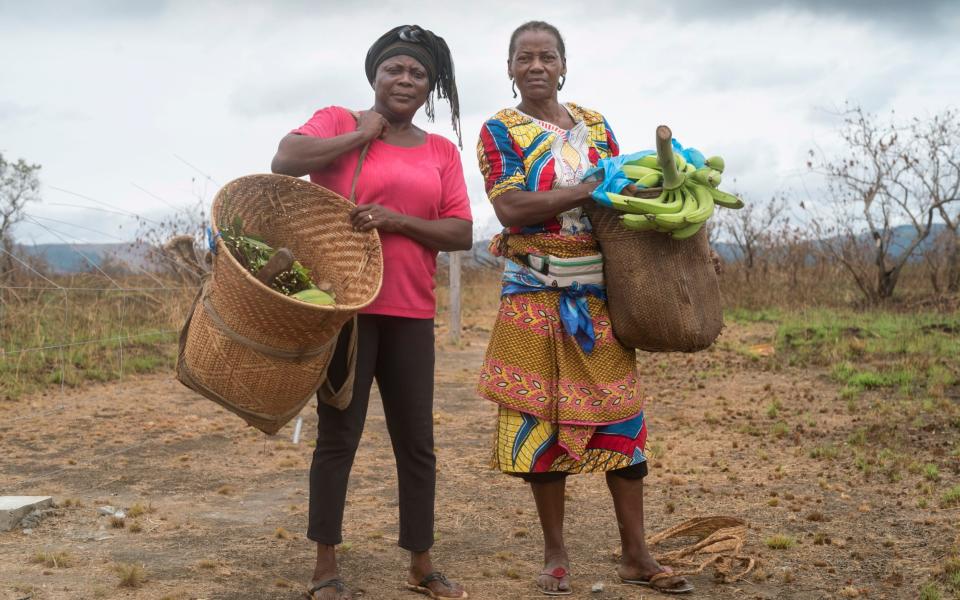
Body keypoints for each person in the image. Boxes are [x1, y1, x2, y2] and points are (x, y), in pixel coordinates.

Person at [476, 21, 694, 595]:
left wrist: (681, 233)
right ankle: (555, 556)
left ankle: (636, 554)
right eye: (524, 57)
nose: (537, 66)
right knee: (543, 423)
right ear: (510, 68)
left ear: (564, 64)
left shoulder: (596, 125)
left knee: (622, 419)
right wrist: (588, 188)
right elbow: (512, 208)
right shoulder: (499, 129)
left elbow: (622, 204)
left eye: (548, 56)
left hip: (597, 298)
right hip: (534, 296)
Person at [271, 24, 472, 600]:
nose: (405, 79)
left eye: (418, 74)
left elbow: (460, 230)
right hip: (346, 311)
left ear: (429, 87)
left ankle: (422, 565)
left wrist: (398, 221)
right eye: (395, 69)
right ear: (375, 75)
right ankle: (326, 567)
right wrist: (361, 135)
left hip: (410, 312)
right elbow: (286, 158)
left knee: (417, 442)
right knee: (339, 437)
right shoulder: (337, 120)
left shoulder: (440, 151)